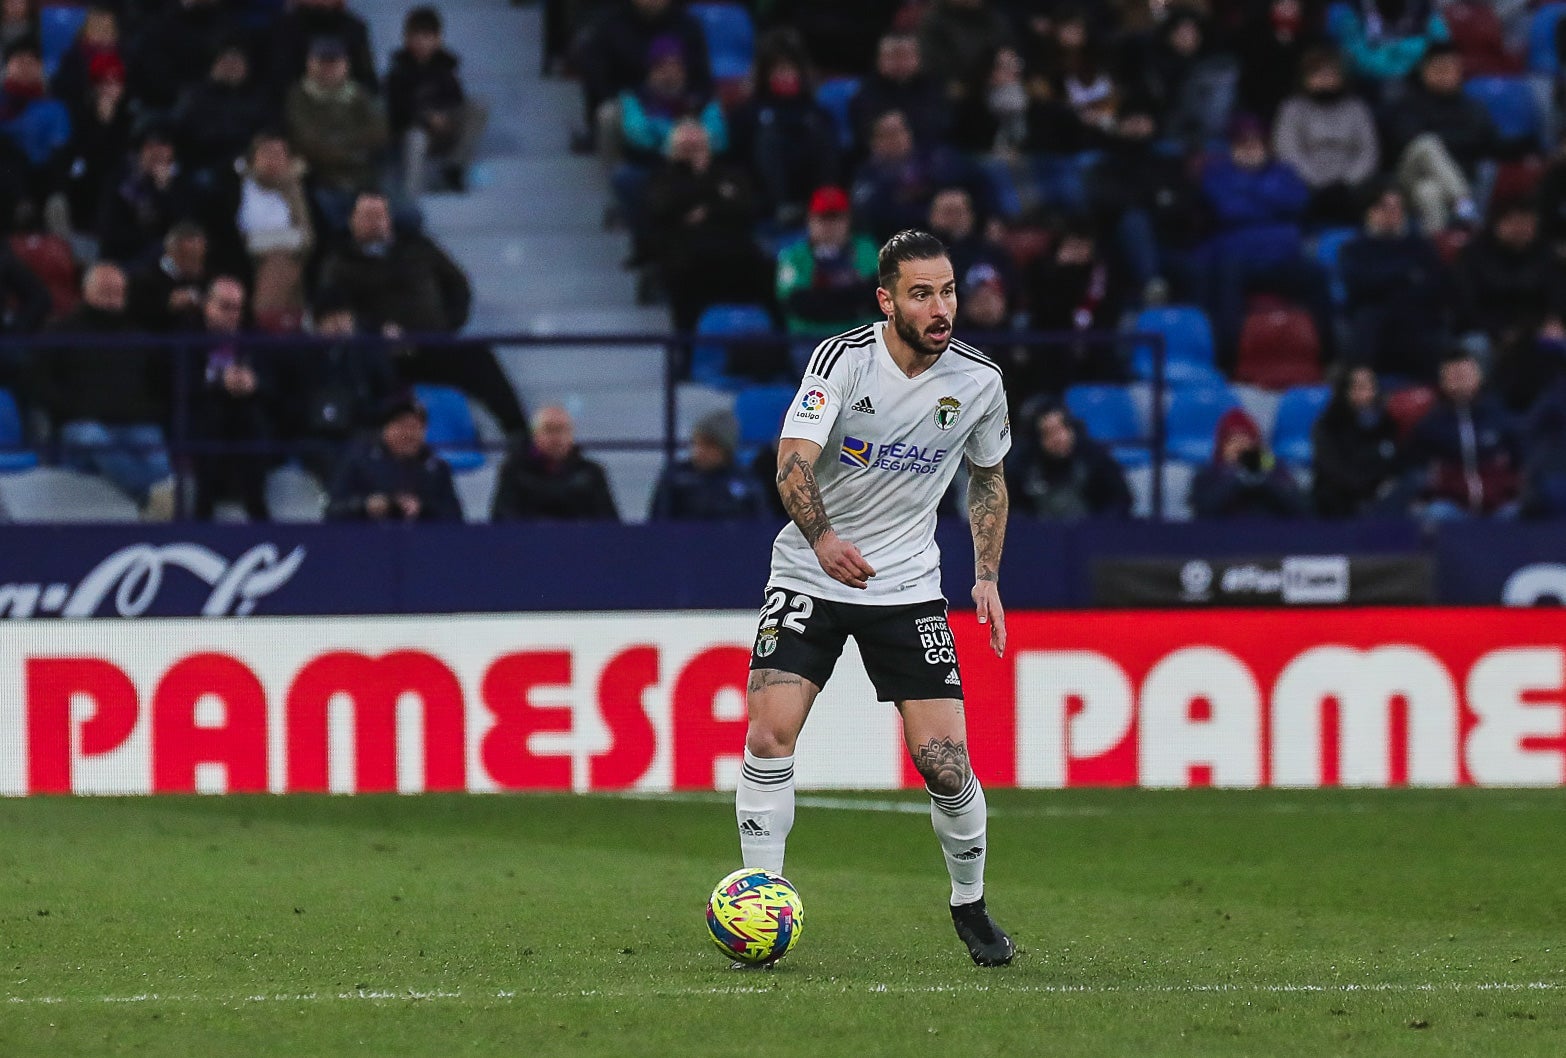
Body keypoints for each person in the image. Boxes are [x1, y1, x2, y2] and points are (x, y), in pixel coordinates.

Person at [736, 229, 1015, 967]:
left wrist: (986, 575)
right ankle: (763, 901)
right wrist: (824, 538)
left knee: (945, 762)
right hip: (811, 573)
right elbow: (792, 461)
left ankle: (971, 906)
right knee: (770, 733)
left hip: (907, 586)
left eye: (948, 290)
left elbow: (988, 477)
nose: (940, 306)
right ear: (887, 299)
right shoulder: (842, 361)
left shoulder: (980, 380)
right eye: (922, 294)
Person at [34, 262, 175, 518]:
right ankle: (148, 496)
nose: (113, 299)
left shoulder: (138, 337)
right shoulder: (60, 332)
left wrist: (147, 411)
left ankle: (159, 498)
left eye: (118, 292)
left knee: (153, 445)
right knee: (93, 438)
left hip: (132, 422)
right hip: (81, 424)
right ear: (86, 291)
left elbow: (160, 386)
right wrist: (74, 410)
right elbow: (39, 383)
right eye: (106, 291)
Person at [1340, 183, 1454, 381]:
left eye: (1397, 207)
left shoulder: (1420, 246)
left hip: (1416, 323)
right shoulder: (1355, 249)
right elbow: (1359, 287)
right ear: (1370, 211)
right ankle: (1361, 393)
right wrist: (1405, 276)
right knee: (1368, 320)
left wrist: (1383, 281)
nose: (1392, 213)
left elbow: (1436, 287)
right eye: (1385, 207)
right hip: (1375, 329)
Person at [187, 276, 274, 521]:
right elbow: (179, 383)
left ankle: (256, 509)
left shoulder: (254, 336)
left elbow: (273, 381)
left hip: (245, 411)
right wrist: (218, 383)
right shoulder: (188, 336)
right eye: (225, 307)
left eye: (238, 308)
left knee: (254, 420)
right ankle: (203, 510)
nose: (233, 314)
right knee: (211, 417)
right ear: (207, 305)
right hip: (204, 410)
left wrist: (254, 382)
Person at [1403, 350, 1522, 520]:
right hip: (1451, 506)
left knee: (1519, 514)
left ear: (1479, 376)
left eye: (1465, 374)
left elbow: (1521, 461)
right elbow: (1414, 469)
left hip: (1500, 505)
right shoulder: (1429, 426)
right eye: (1453, 375)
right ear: (1442, 381)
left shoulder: (1501, 418)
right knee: (1434, 514)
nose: (1460, 380)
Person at [284, 35, 389, 224]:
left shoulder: (360, 95)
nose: (328, 69)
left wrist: (337, 143)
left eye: (334, 63)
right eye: (322, 62)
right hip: (320, 178)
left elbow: (377, 132)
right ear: (310, 64)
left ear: (346, 65)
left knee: (404, 215)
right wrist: (349, 152)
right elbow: (305, 139)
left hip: (364, 178)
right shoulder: (299, 96)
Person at [1270, 50, 1380, 227]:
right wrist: (1317, 181)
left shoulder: (1357, 108)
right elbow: (1287, 151)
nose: (1324, 80)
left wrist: (1347, 181)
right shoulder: (1291, 108)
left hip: (1352, 184)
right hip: (1306, 182)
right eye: (1317, 74)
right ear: (1305, 78)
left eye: (1330, 74)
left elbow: (1368, 151)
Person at [386, 6, 487, 195]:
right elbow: (397, 111)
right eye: (417, 36)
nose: (422, 42)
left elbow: (456, 100)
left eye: (428, 36)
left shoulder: (447, 67)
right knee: (416, 138)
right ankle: (412, 194)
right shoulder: (397, 72)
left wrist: (444, 117)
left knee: (479, 107)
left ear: (438, 39)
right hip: (415, 133)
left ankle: (454, 168)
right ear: (406, 38)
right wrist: (427, 118)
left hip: (446, 128)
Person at [326, 393, 463, 521]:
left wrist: (423, 508)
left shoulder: (436, 469)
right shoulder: (358, 462)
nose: (409, 434)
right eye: (402, 426)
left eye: (415, 427)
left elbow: (455, 519)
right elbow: (333, 512)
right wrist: (365, 506)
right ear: (386, 428)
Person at [775, 185, 878, 336]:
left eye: (836, 218)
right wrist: (853, 302)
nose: (829, 226)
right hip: (810, 339)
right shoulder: (794, 256)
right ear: (810, 220)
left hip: (861, 339)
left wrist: (824, 298)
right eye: (823, 218)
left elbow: (877, 296)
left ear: (848, 220)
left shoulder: (866, 249)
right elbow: (797, 304)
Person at [236, 132, 315, 325]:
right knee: (278, 262)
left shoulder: (295, 189)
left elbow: (307, 237)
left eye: (279, 155)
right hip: (243, 255)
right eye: (267, 154)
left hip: (288, 258)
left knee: (282, 263)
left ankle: (276, 325)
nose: (273, 161)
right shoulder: (238, 185)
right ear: (254, 158)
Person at [491, 404, 619, 521]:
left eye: (561, 429)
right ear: (535, 435)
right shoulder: (514, 472)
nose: (556, 437)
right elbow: (502, 521)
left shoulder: (591, 474)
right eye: (549, 429)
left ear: (571, 435)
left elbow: (609, 524)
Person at [1008, 400, 1130, 520]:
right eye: (1048, 433)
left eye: (1062, 428)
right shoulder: (1022, 467)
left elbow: (1120, 501)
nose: (1059, 438)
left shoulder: (1093, 457)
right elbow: (1011, 511)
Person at [1311, 364, 1402, 517]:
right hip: (1337, 506)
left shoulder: (1386, 425)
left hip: (1380, 503)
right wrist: (1369, 487)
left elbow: (1394, 465)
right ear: (1345, 391)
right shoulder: (1328, 426)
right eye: (1360, 387)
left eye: (1371, 386)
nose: (1368, 394)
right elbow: (1334, 471)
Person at [648, 408, 768, 520]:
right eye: (697, 443)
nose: (700, 451)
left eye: (709, 445)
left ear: (726, 449)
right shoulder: (676, 477)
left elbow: (761, 527)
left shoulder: (746, 481)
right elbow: (657, 525)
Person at [1190, 407, 1310, 519]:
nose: (1241, 446)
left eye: (1246, 440)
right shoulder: (1208, 474)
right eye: (1233, 440)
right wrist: (1238, 480)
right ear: (1222, 446)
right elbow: (1203, 512)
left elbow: (1299, 510)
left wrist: (1264, 479)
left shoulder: (1275, 470)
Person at [127, 221, 208, 332]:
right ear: (172, 250)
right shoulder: (145, 278)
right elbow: (139, 316)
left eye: (199, 255)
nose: (196, 261)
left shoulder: (207, 277)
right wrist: (168, 305)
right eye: (190, 255)